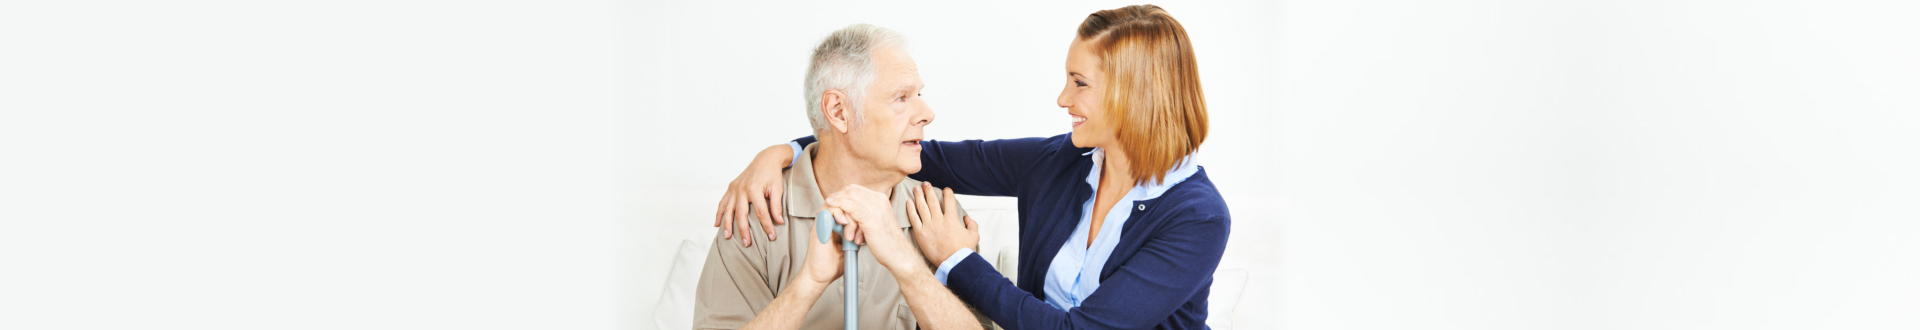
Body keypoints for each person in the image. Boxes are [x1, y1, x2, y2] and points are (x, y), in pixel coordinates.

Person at [716, 5, 1230, 329]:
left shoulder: (1197, 217)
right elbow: (907, 151)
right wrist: (783, 150)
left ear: (1133, 95)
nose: (1061, 98)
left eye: (1079, 83)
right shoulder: (1057, 162)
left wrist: (955, 261)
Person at [690, 24, 987, 330]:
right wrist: (808, 285)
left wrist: (909, 266)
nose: (927, 113)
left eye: (919, 95)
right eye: (901, 97)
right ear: (839, 112)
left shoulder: (939, 216)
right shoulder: (755, 215)